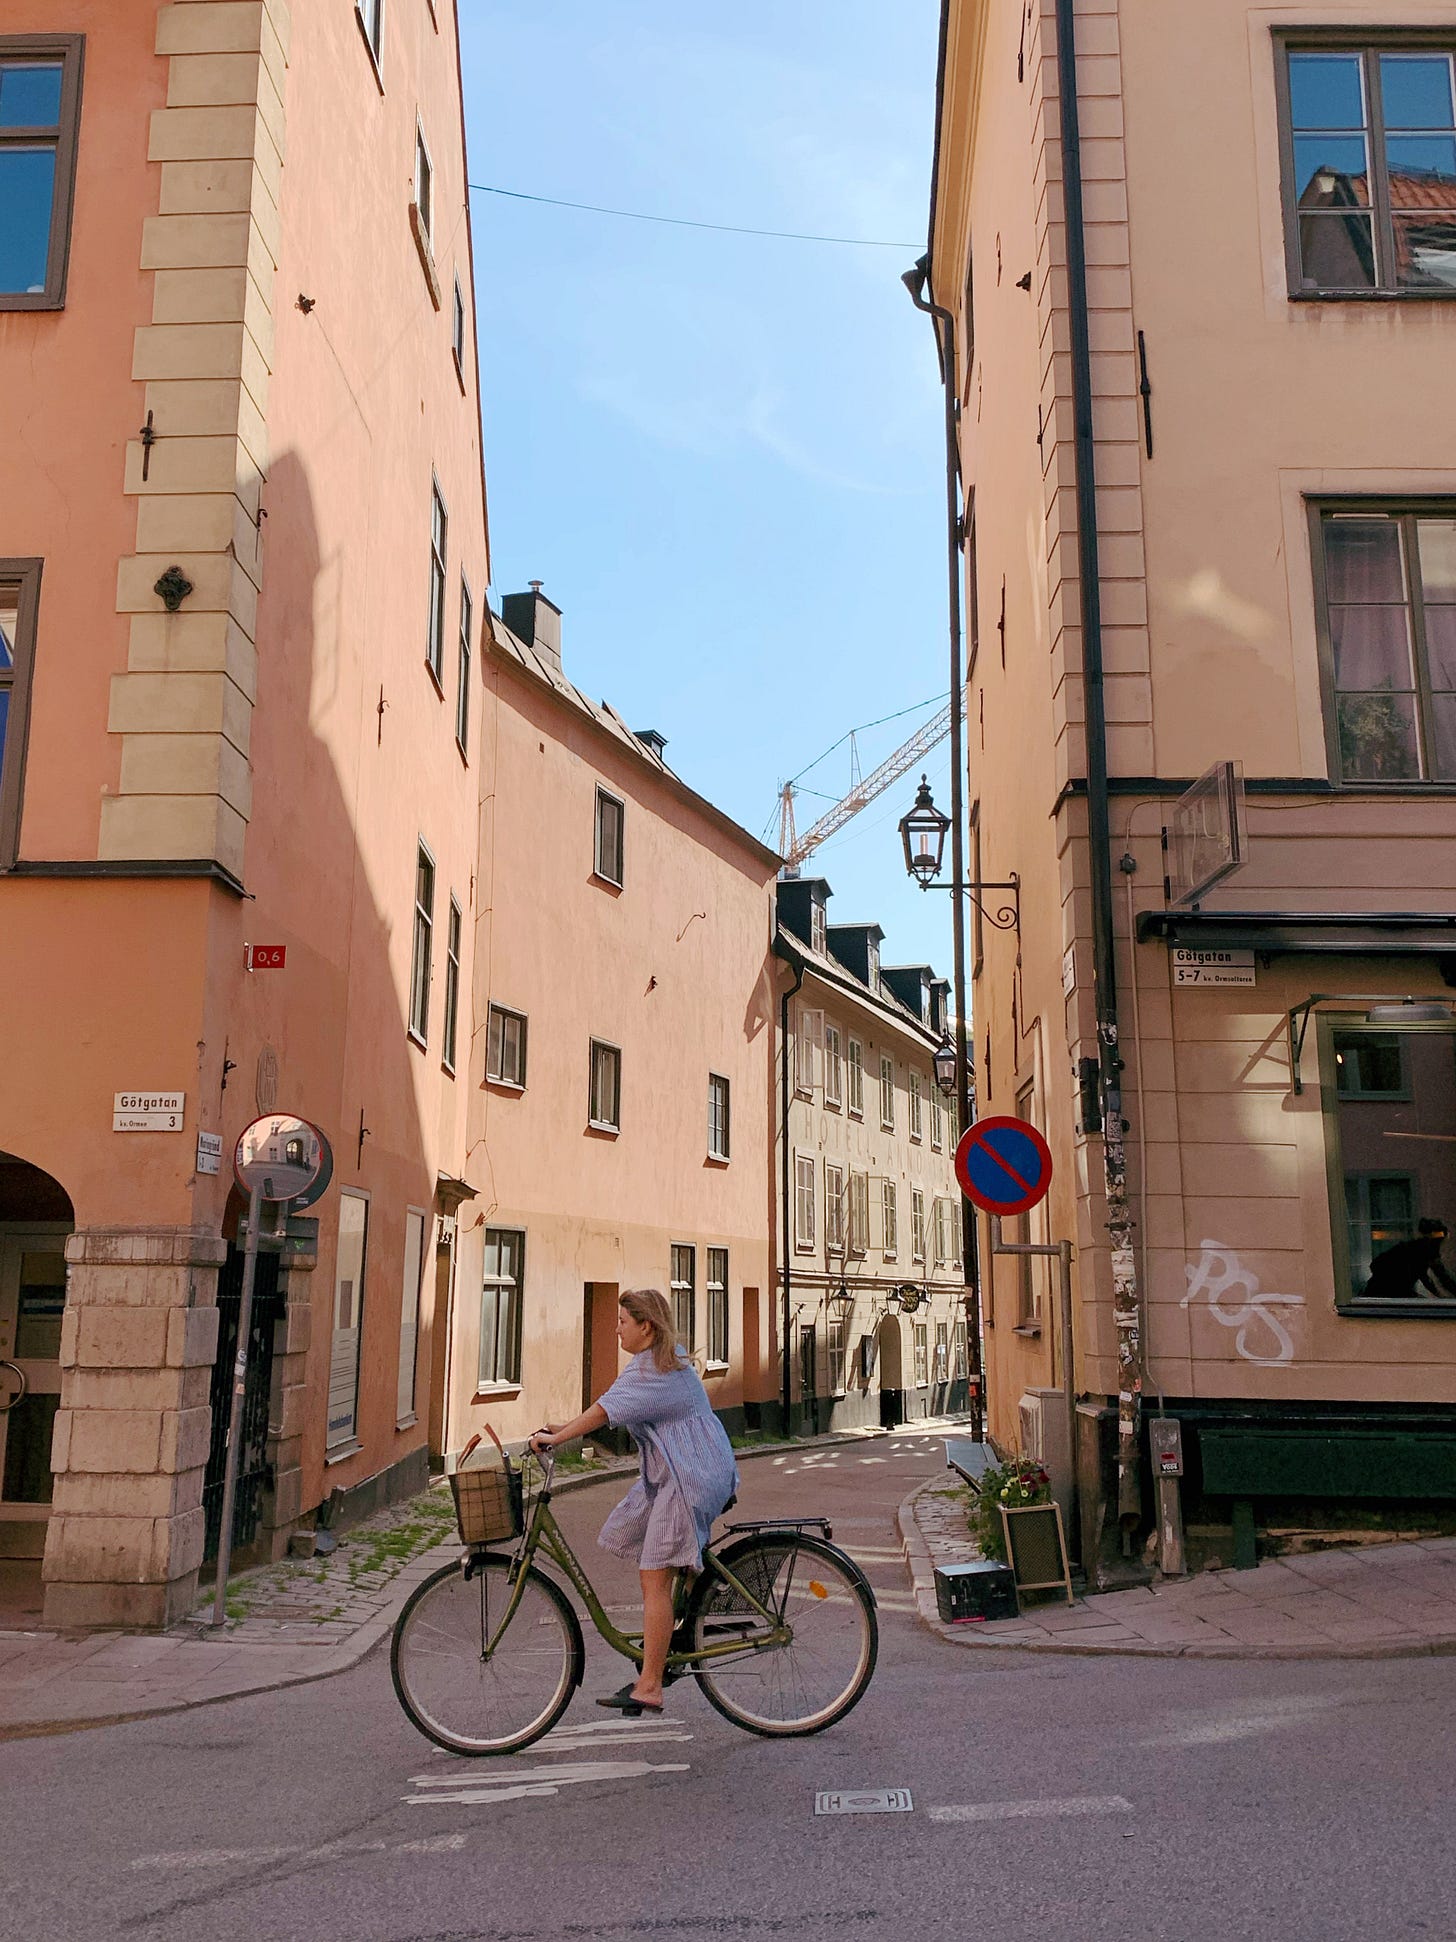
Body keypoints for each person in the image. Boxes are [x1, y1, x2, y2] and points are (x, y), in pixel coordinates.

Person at [529, 1288, 739, 1715]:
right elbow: (608, 1405)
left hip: (689, 1477)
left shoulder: (655, 1372)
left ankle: (650, 1686)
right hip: (687, 1471)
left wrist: (558, 1437)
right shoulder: (659, 1361)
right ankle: (688, 1619)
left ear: (646, 1326)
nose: (616, 1329)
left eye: (622, 1322)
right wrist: (564, 1427)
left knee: (654, 1575)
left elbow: (606, 1412)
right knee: (655, 1553)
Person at [1363, 1218, 1456, 1300]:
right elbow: (1441, 1276)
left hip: (1385, 1291)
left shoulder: (1415, 1248)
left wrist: (1440, 1295)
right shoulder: (1423, 1250)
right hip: (1386, 1292)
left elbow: (1428, 1278)